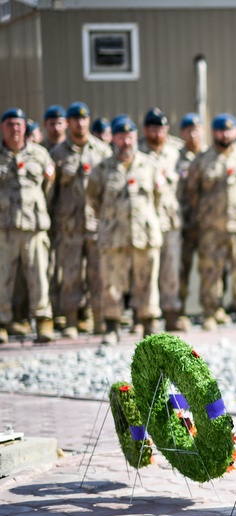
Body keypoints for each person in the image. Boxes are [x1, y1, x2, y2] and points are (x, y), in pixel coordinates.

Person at [86, 116, 163, 345]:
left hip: (145, 234)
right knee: (111, 283)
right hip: (114, 236)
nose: (126, 141)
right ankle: (111, 326)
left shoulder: (150, 165)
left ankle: (149, 326)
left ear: (135, 138)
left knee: (147, 281)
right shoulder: (102, 169)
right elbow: (93, 199)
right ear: (114, 139)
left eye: (129, 136)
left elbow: (157, 198)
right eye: (121, 137)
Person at [185, 113, 236, 330]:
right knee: (210, 271)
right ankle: (210, 312)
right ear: (214, 132)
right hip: (212, 227)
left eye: (229, 130)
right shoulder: (202, 160)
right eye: (220, 130)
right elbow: (192, 192)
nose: (225, 134)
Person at [49, 102, 113, 338]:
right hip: (70, 227)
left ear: (88, 121)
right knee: (71, 275)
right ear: (68, 123)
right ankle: (72, 322)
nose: (80, 123)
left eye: (83, 119)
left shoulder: (102, 152)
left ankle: (99, 320)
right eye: (75, 119)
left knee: (98, 275)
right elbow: (50, 194)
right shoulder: (56, 154)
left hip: (96, 225)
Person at [0, 108, 57, 344]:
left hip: (34, 226)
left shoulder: (40, 155)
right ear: (3, 128)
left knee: (39, 277)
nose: (15, 129)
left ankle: (44, 322)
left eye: (19, 125)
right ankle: (2, 323)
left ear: (25, 128)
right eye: (10, 124)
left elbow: (50, 189)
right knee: (3, 278)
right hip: (4, 228)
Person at [138, 108, 186, 332]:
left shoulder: (176, 152)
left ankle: (171, 314)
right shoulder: (137, 152)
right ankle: (146, 317)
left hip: (170, 221)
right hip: (145, 223)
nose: (158, 133)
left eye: (162, 129)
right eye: (153, 129)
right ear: (146, 130)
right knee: (146, 271)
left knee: (170, 270)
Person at [175, 113, 204, 331]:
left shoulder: (209, 156)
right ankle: (180, 311)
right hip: (183, 223)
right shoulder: (175, 158)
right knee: (181, 269)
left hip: (207, 224)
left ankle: (212, 310)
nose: (193, 134)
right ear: (182, 133)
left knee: (211, 269)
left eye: (196, 129)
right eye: (188, 130)